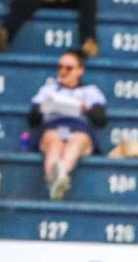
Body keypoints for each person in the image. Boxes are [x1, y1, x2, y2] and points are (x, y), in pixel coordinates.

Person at [28, 49, 107, 199]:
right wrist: (45, 106)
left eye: (68, 68)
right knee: (54, 141)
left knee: (76, 140)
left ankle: (60, 175)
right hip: (53, 126)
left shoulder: (91, 91)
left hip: (79, 128)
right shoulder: (48, 90)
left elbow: (101, 120)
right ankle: (56, 179)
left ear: (80, 71)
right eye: (60, 67)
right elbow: (32, 119)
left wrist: (85, 108)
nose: (63, 71)